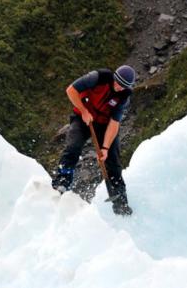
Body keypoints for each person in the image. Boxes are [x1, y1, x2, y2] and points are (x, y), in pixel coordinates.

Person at [52, 65, 135, 216]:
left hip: (104, 124)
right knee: (73, 147)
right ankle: (61, 183)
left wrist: (105, 148)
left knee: (113, 161)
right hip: (83, 117)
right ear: (114, 77)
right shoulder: (98, 77)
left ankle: (120, 204)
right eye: (117, 82)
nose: (118, 87)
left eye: (123, 86)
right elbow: (71, 90)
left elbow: (114, 123)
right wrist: (84, 111)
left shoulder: (124, 96)